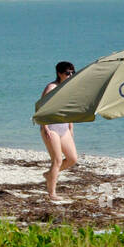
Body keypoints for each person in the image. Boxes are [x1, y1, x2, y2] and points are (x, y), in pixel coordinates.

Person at [40, 61, 79, 202]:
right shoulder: (51, 87)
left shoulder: (69, 87)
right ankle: (52, 193)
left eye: (72, 72)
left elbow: (68, 109)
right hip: (51, 127)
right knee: (56, 160)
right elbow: (40, 108)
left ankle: (50, 174)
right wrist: (45, 128)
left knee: (72, 159)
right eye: (67, 73)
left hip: (64, 127)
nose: (70, 75)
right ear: (59, 73)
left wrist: (71, 127)